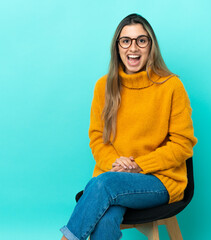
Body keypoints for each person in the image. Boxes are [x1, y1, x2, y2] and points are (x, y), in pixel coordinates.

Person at [60, 13, 197, 240]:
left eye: (141, 40)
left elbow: (182, 145)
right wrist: (118, 166)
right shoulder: (104, 86)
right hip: (114, 177)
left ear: (151, 46)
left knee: (103, 185)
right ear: (117, 46)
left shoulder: (171, 86)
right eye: (126, 40)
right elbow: (97, 139)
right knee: (104, 217)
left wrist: (138, 166)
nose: (133, 47)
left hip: (160, 181)